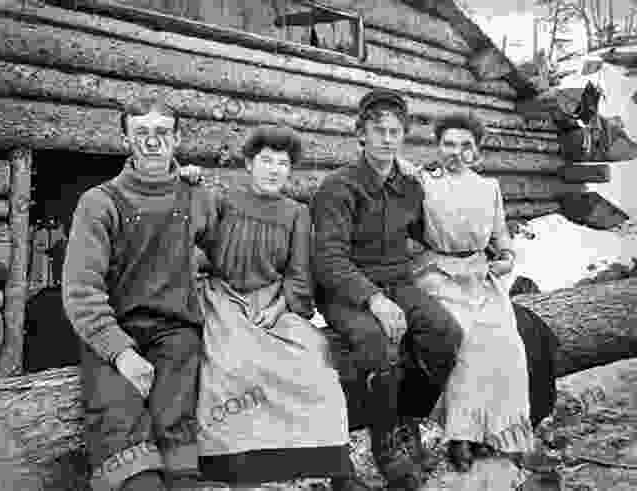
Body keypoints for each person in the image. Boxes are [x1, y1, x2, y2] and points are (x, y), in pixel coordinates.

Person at [311, 89, 465, 490]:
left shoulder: (409, 187)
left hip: (399, 282)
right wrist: (374, 300)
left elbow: (428, 233)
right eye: (377, 131)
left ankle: (407, 419)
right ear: (360, 135)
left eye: (395, 132)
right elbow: (328, 260)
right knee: (375, 342)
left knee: (445, 334)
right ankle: (384, 443)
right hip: (346, 290)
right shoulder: (338, 188)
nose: (387, 139)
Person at [62, 97, 219, 491]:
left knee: (177, 425)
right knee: (118, 420)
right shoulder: (99, 202)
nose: (152, 142)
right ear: (125, 139)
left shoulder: (196, 197)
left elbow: (231, 249)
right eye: (141, 133)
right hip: (114, 331)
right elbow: (81, 289)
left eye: (162, 133)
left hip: (175, 332)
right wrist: (121, 352)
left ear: (178, 139)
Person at [193, 126, 356, 489]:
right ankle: (236, 464)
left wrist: (280, 306)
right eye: (266, 161)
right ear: (249, 164)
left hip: (275, 301)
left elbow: (299, 272)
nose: (274, 170)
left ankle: (328, 460)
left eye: (282, 164)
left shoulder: (297, 213)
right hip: (225, 298)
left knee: (314, 357)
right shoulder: (224, 200)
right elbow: (195, 242)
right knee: (233, 363)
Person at [410, 112, 535, 472]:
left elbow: (501, 238)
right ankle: (460, 437)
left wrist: (507, 258)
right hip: (439, 275)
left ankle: (501, 433)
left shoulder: (488, 187)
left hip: (481, 276)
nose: (456, 152)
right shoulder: (423, 183)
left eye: (466, 146)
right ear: (437, 147)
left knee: (506, 342)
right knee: (464, 343)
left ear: (477, 151)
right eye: (448, 144)